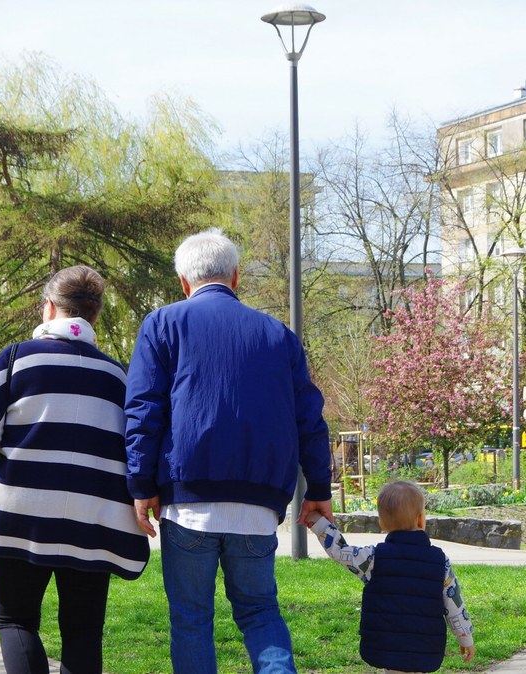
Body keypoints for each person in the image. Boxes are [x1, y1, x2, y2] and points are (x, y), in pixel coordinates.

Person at [125, 228, 333, 674]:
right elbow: (310, 419)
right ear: (236, 277)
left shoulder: (162, 324)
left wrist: (141, 485)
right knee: (261, 614)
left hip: (187, 505)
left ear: (184, 282)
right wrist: (318, 486)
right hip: (257, 507)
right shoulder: (279, 335)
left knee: (192, 621)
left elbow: (143, 412)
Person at [0, 265, 150, 674]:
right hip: (95, 517)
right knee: (83, 631)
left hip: (23, 511)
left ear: (48, 307)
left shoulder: (17, 359)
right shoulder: (117, 375)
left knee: (16, 620)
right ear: (94, 315)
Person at [305, 481, 474, 672]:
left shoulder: (373, 558)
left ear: (382, 523)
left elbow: (340, 551)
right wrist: (465, 637)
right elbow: (455, 603)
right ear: (420, 519)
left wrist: (318, 523)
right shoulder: (439, 560)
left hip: (386, 644)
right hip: (423, 645)